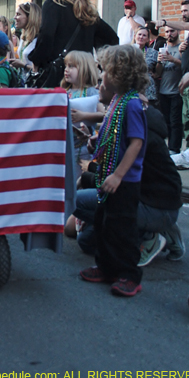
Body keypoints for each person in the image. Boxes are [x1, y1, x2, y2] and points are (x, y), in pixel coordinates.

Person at [71, 97, 184, 265]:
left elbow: (116, 176)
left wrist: (89, 175)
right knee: (86, 241)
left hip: (151, 201)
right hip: (142, 197)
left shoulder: (134, 129)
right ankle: (156, 229)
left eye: (104, 78)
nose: (100, 85)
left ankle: (151, 235)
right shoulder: (124, 119)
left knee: (76, 201)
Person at [79, 44, 149, 297]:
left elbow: (136, 143)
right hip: (108, 175)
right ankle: (107, 267)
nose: (102, 76)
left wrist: (119, 175)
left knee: (122, 228)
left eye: (105, 70)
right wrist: (97, 142)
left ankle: (129, 274)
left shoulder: (131, 104)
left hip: (124, 180)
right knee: (103, 223)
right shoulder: (118, 101)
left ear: (119, 74)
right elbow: (115, 132)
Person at [28, 0, 118, 86]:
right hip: (84, 75)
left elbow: (46, 36)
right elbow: (112, 39)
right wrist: (97, 62)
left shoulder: (53, 4)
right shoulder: (88, 11)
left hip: (60, 74)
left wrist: (37, 60)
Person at [155, 0, 189, 174]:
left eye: (185, 10)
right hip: (187, 81)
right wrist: (183, 51)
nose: (183, 13)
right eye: (181, 10)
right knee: (187, 120)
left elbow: (184, 25)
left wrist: (164, 22)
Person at [158, 26, 183, 154]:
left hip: (176, 91)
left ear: (178, 31)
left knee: (175, 122)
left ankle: (174, 149)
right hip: (163, 91)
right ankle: (168, 148)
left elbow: (186, 66)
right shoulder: (163, 48)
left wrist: (173, 59)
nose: (169, 34)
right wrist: (159, 63)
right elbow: (157, 73)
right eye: (167, 31)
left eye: (172, 31)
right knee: (166, 122)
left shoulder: (182, 48)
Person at [9, 2, 41, 81]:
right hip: (23, 84)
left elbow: (41, 70)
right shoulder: (23, 38)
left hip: (34, 86)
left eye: (18, 14)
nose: (15, 17)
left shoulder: (39, 40)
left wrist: (23, 65)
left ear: (30, 17)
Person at [133, 26, 163, 106]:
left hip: (148, 90)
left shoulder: (153, 52)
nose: (141, 37)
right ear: (135, 36)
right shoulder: (127, 51)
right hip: (132, 87)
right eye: (139, 34)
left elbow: (159, 72)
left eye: (144, 35)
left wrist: (156, 71)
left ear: (148, 39)